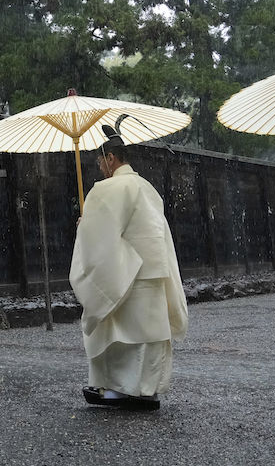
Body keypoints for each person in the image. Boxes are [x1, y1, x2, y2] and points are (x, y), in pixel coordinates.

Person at [70, 118, 188, 410]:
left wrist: (84, 227)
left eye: (100, 161)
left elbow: (101, 237)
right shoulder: (147, 187)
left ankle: (115, 391)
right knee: (146, 336)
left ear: (110, 158)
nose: (99, 167)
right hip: (153, 271)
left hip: (128, 274)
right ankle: (146, 391)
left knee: (118, 333)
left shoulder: (107, 189)